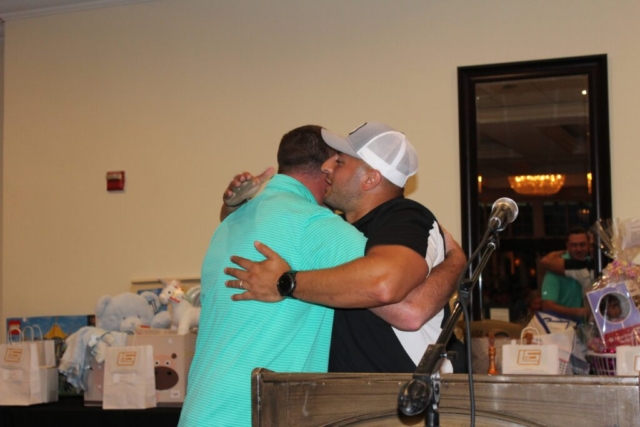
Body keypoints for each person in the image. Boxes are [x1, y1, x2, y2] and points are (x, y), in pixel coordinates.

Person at [225, 122, 467, 373]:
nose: (326, 167)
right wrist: (236, 207)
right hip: (346, 392)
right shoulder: (331, 224)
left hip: (406, 389)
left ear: (371, 178)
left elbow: (391, 293)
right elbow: (269, 235)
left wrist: (285, 283)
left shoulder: (406, 218)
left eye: (339, 162)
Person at [179, 125, 368, 427]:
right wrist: (443, 257)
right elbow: (396, 292)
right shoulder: (315, 224)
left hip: (201, 412)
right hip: (250, 417)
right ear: (327, 168)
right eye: (341, 162)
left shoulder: (232, 220)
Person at [539, 227, 592, 322]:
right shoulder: (555, 267)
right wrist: (578, 312)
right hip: (562, 326)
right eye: (574, 245)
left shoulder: (593, 263)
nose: (578, 249)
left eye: (582, 244)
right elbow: (547, 306)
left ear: (589, 245)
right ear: (567, 246)